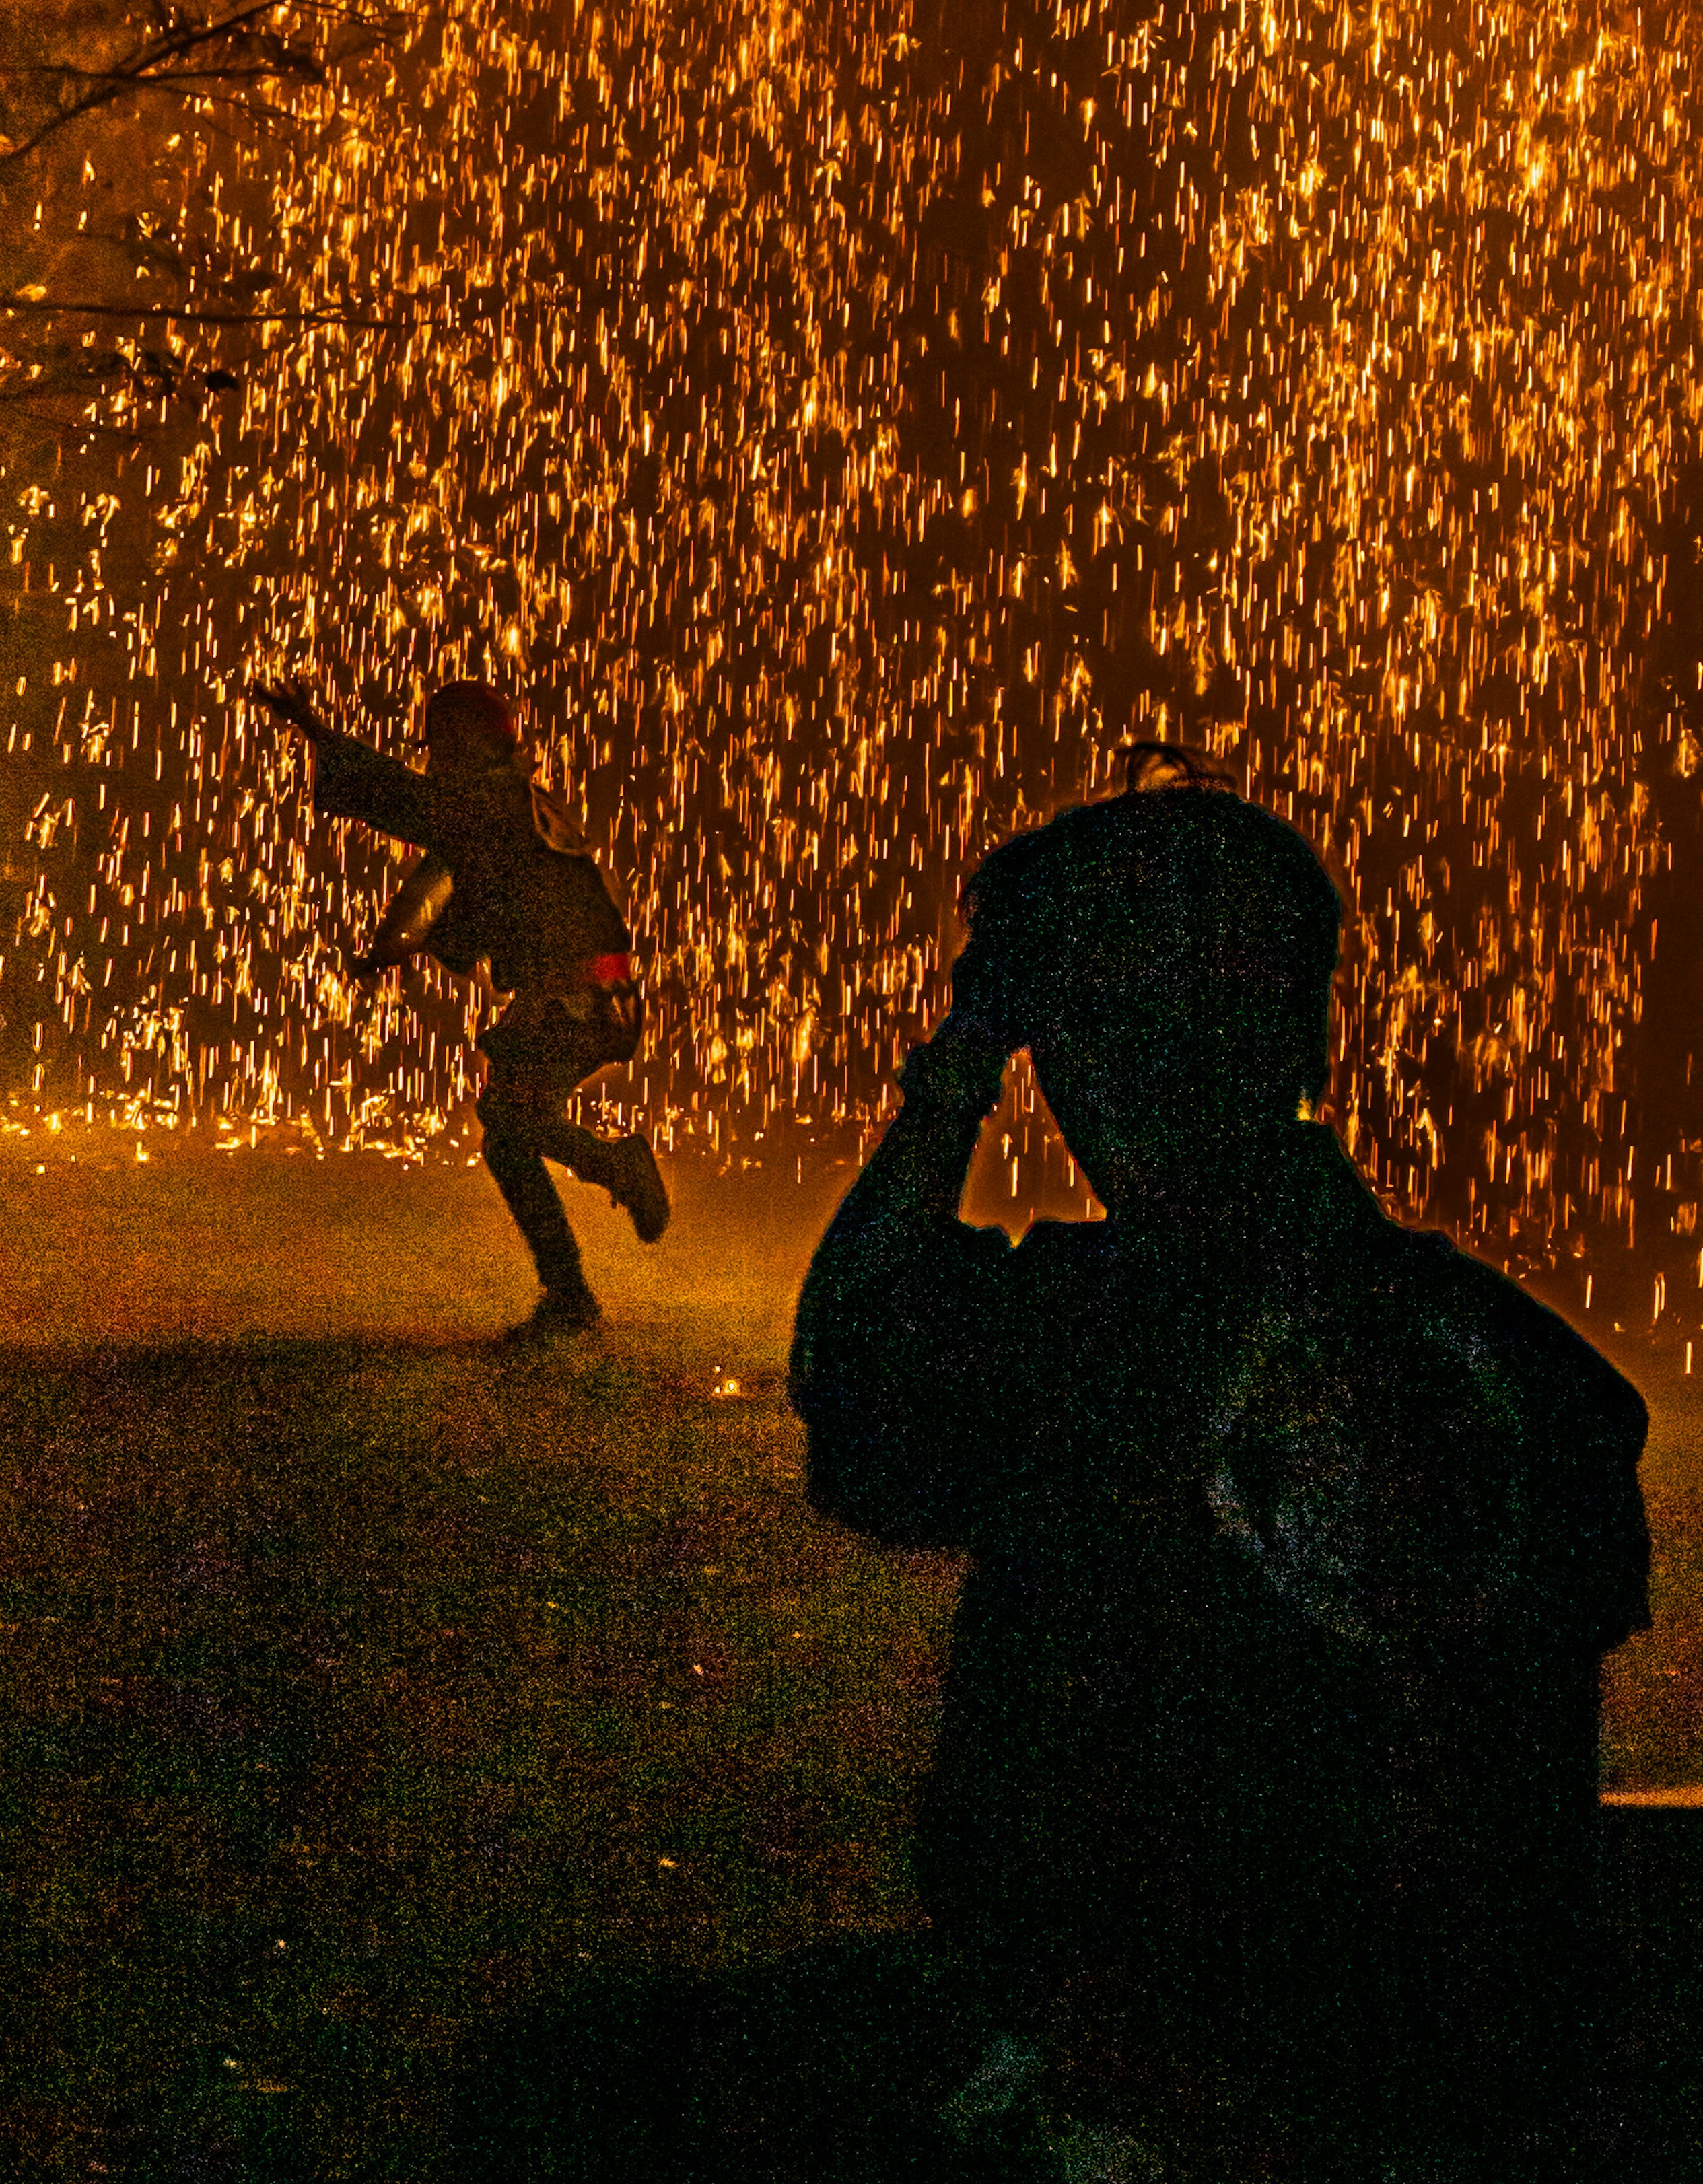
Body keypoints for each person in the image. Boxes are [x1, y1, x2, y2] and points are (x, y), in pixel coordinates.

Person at [788, 743, 1652, 2183]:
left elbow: (852, 1395)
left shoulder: (1091, 1337)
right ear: (1307, 1035)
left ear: (1069, 1042)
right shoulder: (1539, 1366)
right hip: (1466, 2083)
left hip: (1166, 2091)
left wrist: (950, 1082)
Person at [259, 676, 670, 1337]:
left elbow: (404, 801)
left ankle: (613, 1173)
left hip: (575, 994)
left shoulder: (493, 800)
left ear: (474, 743)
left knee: (507, 1117)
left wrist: (314, 727)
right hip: (584, 993)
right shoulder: (507, 800)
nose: (436, 759)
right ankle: (569, 1296)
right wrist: (388, 948)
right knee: (508, 1136)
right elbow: (439, 871)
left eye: (446, 745)